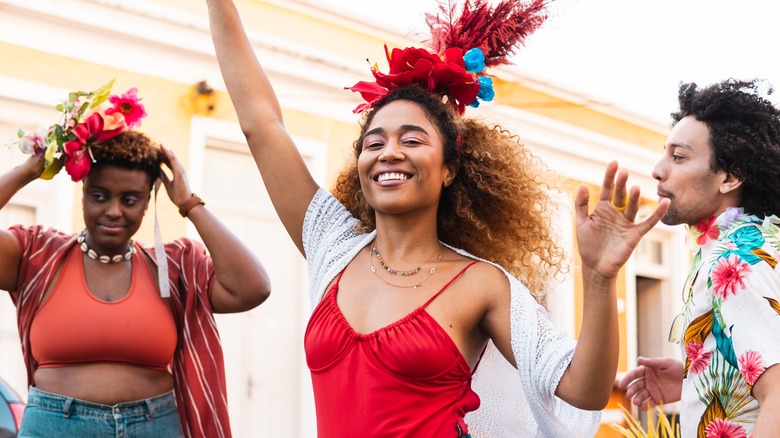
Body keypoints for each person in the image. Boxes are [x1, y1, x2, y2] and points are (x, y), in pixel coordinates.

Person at [205, 0, 668, 435]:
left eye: (412, 140)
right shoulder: (333, 247)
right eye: (374, 142)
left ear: (448, 170)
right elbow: (261, 123)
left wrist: (600, 278)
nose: (389, 152)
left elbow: (583, 391)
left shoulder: (481, 284)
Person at [0, 81, 271, 437]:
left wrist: (189, 203)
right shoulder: (38, 255)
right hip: (54, 426)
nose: (113, 211)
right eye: (99, 196)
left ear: (147, 201)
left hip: (154, 426)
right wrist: (29, 170)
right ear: (83, 193)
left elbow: (253, 287)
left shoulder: (174, 267)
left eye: (129, 200)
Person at [619, 78, 780, 437]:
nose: (659, 169)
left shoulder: (733, 264)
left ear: (730, 177)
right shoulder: (760, 243)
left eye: (678, 157)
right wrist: (701, 376)